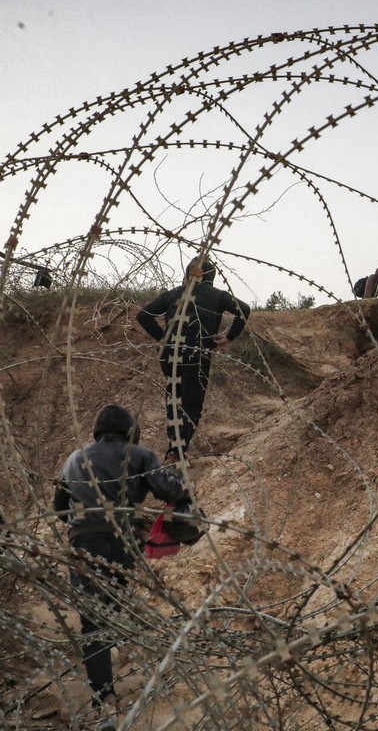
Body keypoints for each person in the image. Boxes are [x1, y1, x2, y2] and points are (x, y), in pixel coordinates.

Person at [53, 404, 188, 730]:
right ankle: (108, 673)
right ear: (130, 431)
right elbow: (167, 490)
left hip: (86, 542)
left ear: (98, 430)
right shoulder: (139, 454)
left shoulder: (75, 458)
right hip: (124, 544)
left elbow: (59, 508)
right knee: (111, 608)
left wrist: (82, 521)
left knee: (93, 620)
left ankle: (103, 700)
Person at [136, 255, 251, 461]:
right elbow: (244, 309)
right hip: (196, 352)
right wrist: (229, 336)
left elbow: (143, 315)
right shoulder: (217, 295)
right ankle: (177, 449)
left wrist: (163, 337)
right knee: (192, 400)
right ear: (212, 275)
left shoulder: (174, 294)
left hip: (170, 353)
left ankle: (174, 446)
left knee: (174, 396)